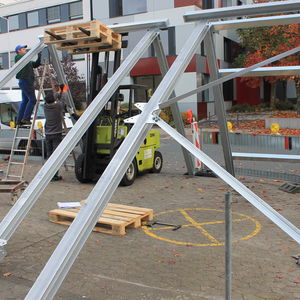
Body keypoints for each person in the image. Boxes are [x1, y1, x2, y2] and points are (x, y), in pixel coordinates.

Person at [15, 44, 41, 126]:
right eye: (23, 49)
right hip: (26, 80)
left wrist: (39, 55)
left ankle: (19, 120)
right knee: (32, 100)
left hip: (25, 81)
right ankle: (26, 118)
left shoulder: (27, 61)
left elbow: (36, 64)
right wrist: (34, 51)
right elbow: (25, 56)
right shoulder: (18, 57)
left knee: (25, 101)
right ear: (18, 51)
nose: (25, 50)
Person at [44, 93, 64, 181]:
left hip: (48, 133)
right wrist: (62, 90)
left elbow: (55, 98)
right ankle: (53, 175)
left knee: (49, 154)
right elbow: (61, 100)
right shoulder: (58, 106)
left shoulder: (45, 107)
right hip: (57, 133)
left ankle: (48, 174)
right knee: (55, 156)